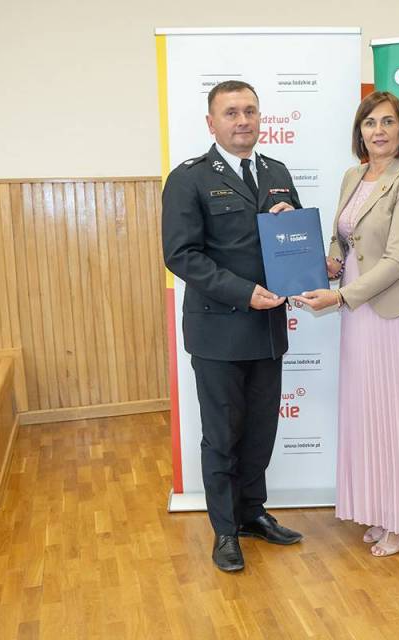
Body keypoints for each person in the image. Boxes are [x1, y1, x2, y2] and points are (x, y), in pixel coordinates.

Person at [162, 80, 304, 573]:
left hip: (268, 329)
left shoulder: (277, 172)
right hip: (219, 330)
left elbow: (290, 243)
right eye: (231, 112)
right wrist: (243, 292)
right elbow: (181, 255)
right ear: (211, 122)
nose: (243, 121)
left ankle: (251, 513)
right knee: (222, 435)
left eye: (250, 111)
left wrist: (304, 259)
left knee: (261, 431)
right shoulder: (189, 178)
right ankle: (225, 530)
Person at [293, 91, 399, 557]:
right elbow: (343, 238)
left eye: (388, 122)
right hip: (357, 311)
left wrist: (340, 295)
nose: (379, 130)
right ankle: (378, 508)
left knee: (398, 416)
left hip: (394, 313)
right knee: (368, 414)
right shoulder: (352, 176)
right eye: (370, 122)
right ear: (360, 131)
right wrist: (331, 261)